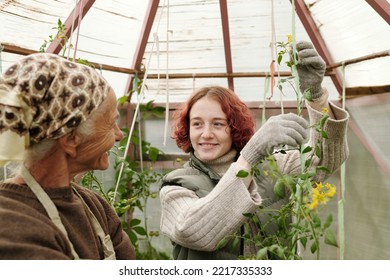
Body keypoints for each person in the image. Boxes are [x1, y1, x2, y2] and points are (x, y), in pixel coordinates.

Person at [159, 41, 350, 260]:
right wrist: (250, 155)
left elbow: (325, 160)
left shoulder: (272, 168)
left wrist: (315, 95)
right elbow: (195, 232)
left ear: (234, 128)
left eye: (218, 124)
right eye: (197, 124)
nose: (206, 134)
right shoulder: (175, 186)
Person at [0, 53, 135, 259]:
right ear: (71, 139)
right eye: (111, 123)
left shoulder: (95, 206)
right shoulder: (12, 224)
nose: (119, 135)